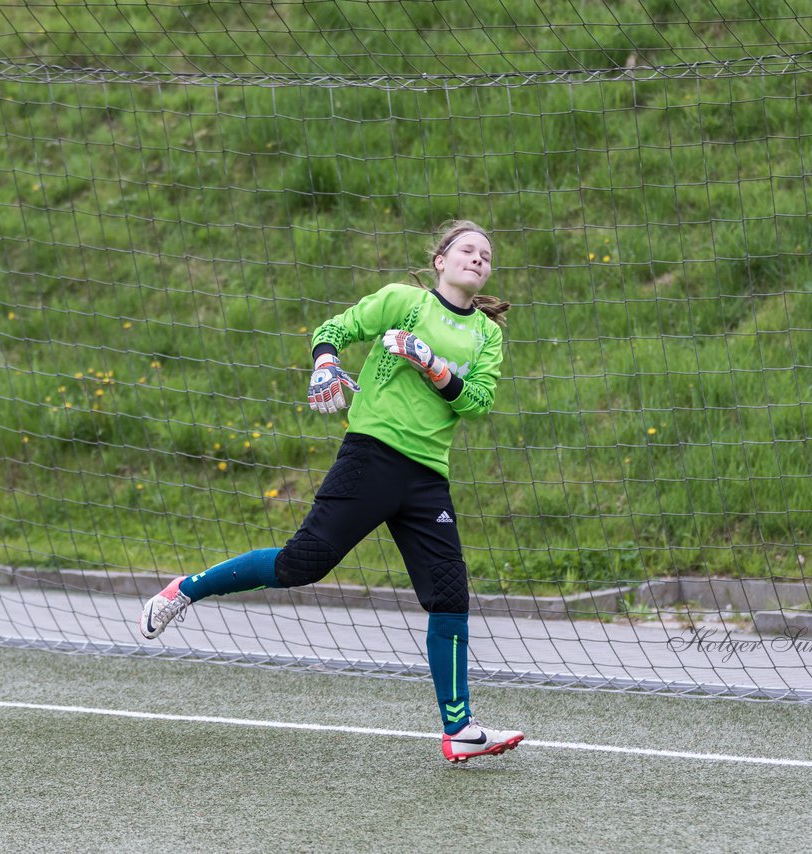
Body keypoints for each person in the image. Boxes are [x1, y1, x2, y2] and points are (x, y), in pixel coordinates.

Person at [138, 220, 523, 763]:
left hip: (427, 477)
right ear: (440, 259)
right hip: (371, 457)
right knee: (303, 564)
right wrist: (326, 364)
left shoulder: (488, 334)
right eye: (467, 249)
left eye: (487, 254)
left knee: (449, 595)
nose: (478, 258)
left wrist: (432, 366)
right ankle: (187, 590)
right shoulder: (403, 302)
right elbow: (335, 329)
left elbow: (476, 401)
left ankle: (458, 729)